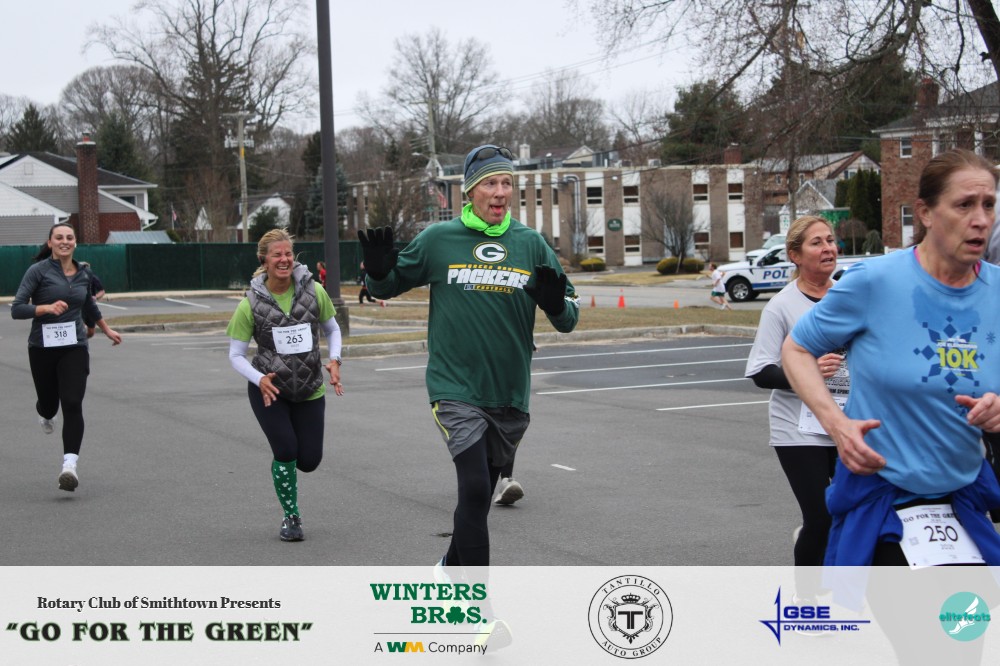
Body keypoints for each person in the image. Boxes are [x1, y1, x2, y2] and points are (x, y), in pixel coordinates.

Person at [781, 150, 1000, 663]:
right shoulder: (874, 283)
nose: (980, 219)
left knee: (964, 646)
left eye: (989, 204)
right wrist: (837, 425)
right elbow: (796, 349)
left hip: (962, 505)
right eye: (964, 204)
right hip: (885, 502)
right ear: (925, 212)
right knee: (927, 646)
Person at [358, 144, 579, 568]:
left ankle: (449, 568)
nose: (501, 192)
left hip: (510, 394)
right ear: (471, 190)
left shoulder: (531, 244)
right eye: (491, 183)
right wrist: (379, 272)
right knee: (476, 488)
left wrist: (555, 305)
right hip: (455, 388)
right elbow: (388, 286)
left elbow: (569, 316)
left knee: (476, 501)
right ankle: (477, 603)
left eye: (507, 183)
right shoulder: (439, 239)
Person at [744, 215, 845, 602]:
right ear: (795, 255)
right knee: (821, 515)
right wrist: (806, 371)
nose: (828, 248)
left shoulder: (848, 299)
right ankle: (808, 601)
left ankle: (832, 572)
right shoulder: (781, 307)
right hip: (798, 429)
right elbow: (761, 372)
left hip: (845, 422)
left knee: (850, 513)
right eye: (817, 242)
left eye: (830, 240)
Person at [227, 229, 344, 542]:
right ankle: (291, 517)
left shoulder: (314, 291)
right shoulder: (250, 303)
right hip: (270, 389)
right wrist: (259, 379)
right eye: (277, 254)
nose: (284, 259)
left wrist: (335, 359)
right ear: (263, 260)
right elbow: (236, 355)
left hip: (309, 388)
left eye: (288, 253)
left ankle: (288, 471)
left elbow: (332, 330)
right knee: (286, 450)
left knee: (309, 461)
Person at [11, 222, 123, 492]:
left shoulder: (84, 272)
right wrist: (45, 308)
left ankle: (69, 466)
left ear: (75, 242)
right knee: (50, 405)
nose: (64, 241)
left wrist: (106, 329)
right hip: (42, 347)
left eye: (69, 237)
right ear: (50, 243)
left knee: (72, 402)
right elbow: (17, 309)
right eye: (59, 237)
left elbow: (88, 304)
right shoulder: (38, 271)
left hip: (75, 346)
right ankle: (44, 412)